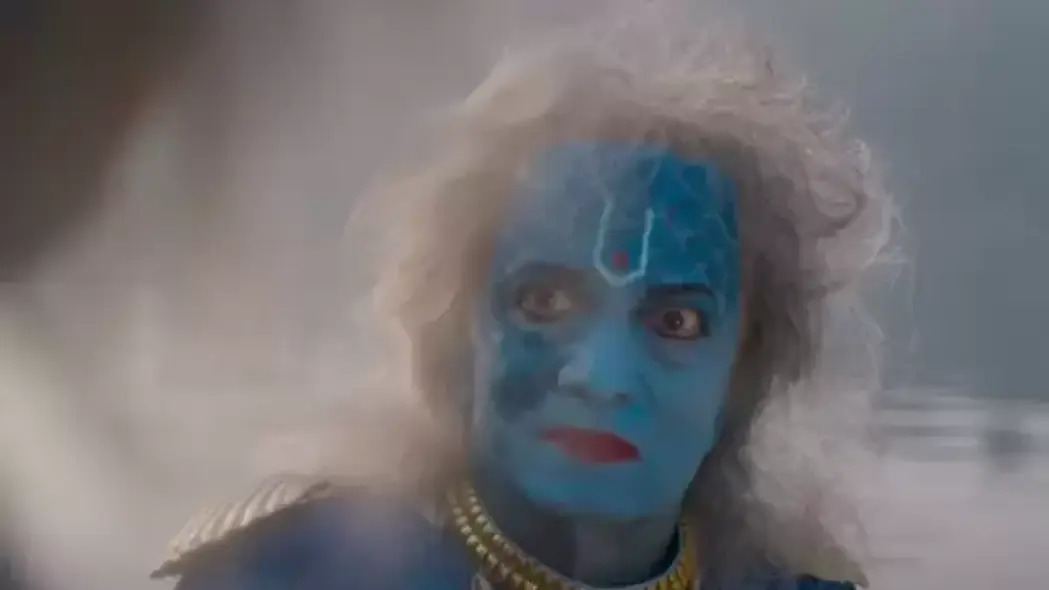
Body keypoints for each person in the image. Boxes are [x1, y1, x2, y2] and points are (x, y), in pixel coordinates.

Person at [150, 15, 890, 590]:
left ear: (745, 371)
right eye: (545, 302)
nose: (601, 376)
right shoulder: (285, 577)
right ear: (455, 328)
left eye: (675, 321)